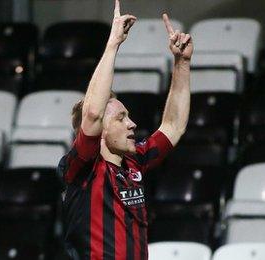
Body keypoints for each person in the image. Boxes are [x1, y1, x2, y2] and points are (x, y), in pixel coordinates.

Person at [59, 0, 193, 259]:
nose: (132, 124)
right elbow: (94, 112)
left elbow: (173, 126)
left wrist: (182, 64)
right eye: (121, 118)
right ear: (99, 133)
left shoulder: (135, 161)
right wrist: (113, 44)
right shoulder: (81, 169)